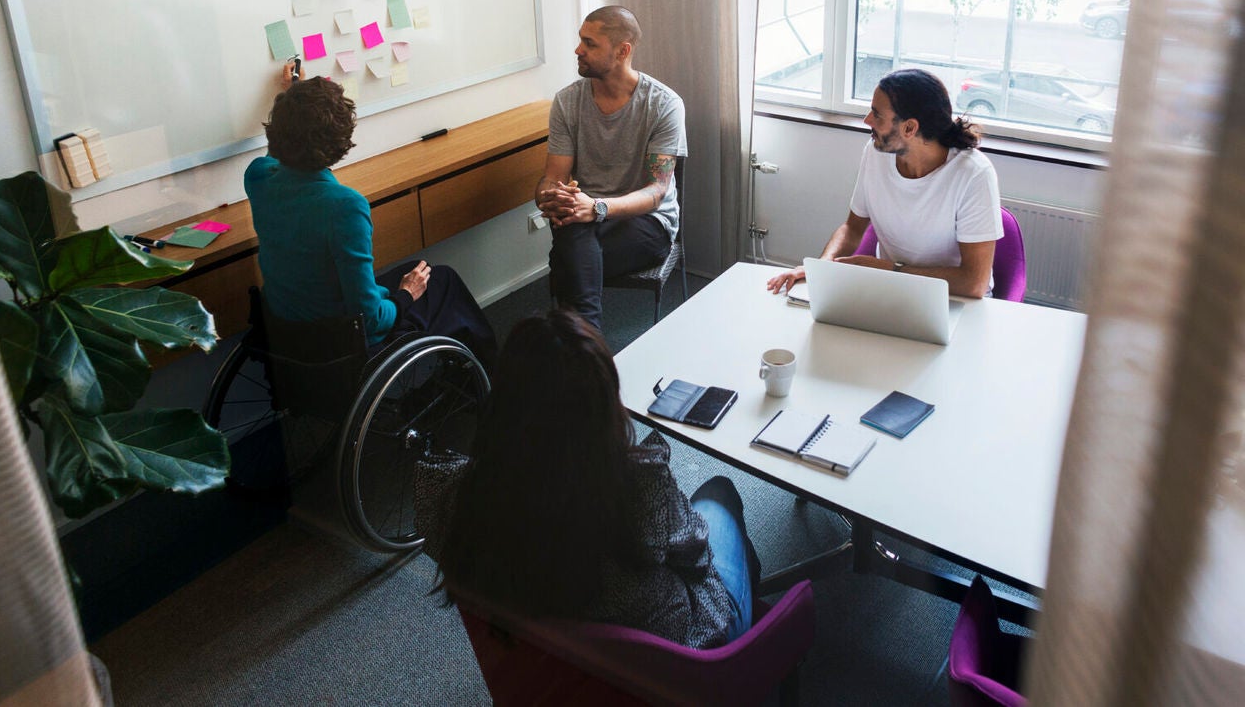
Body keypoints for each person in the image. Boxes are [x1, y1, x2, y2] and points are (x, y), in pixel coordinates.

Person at [415, 309, 759, 648]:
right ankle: (753, 641)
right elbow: (696, 556)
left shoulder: (461, 491)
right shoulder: (638, 484)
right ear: (603, 403)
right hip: (685, 655)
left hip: (552, 664)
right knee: (719, 494)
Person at [246, 64, 496, 367]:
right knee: (442, 280)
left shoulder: (257, 177)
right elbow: (371, 319)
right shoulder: (344, 206)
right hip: (339, 340)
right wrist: (406, 295)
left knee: (420, 278)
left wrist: (292, 97)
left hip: (288, 333)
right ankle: (492, 373)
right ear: (340, 142)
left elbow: (278, 153)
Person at [767, 69, 1002, 299]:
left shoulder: (974, 173)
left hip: (954, 299)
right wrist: (822, 267)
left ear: (910, 128)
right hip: (891, 289)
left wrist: (890, 270)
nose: (867, 120)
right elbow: (852, 228)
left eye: (877, 115)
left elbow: (974, 283)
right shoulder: (876, 152)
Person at [536, 6, 687, 329]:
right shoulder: (567, 101)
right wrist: (551, 197)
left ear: (622, 51)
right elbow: (553, 178)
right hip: (584, 218)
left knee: (567, 260)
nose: (578, 50)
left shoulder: (664, 104)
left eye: (589, 44)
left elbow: (656, 192)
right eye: (580, 40)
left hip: (646, 222)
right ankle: (588, 344)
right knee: (575, 233)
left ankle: (581, 340)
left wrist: (597, 208)